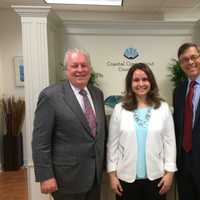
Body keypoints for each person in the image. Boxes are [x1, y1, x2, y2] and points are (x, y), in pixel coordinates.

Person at [32, 48, 107, 200]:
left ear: (90, 69)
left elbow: (99, 134)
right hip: (66, 180)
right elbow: (40, 141)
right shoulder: (51, 96)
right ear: (66, 70)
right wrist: (46, 176)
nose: (80, 70)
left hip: (95, 178)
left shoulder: (97, 94)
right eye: (75, 66)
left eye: (84, 65)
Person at [107, 63, 177, 200]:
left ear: (151, 82)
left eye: (145, 79)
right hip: (125, 179)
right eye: (136, 80)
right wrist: (112, 175)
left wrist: (170, 173)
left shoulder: (163, 107)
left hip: (157, 178)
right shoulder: (119, 109)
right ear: (130, 83)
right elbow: (112, 144)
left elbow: (170, 142)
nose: (141, 84)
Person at [173, 42, 200, 200]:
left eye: (193, 57)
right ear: (180, 64)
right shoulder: (179, 91)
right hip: (184, 167)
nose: (190, 62)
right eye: (184, 60)